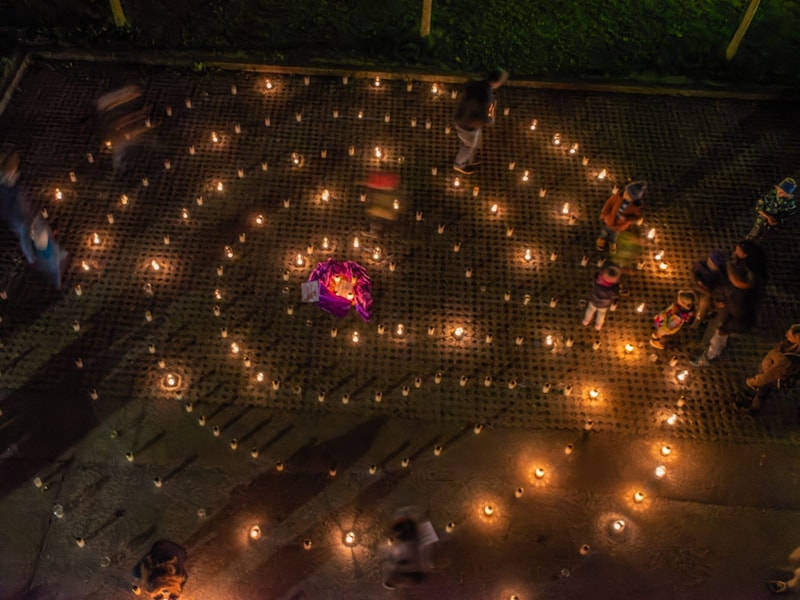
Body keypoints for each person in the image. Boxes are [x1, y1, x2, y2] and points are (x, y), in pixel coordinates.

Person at [0, 150, 68, 288]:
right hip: (27, 224)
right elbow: (23, 231)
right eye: (12, 173)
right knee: (42, 243)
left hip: (32, 220)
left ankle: (56, 263)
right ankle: (54, 270)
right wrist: (31, 258)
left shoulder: (14, 188)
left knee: (43, 238)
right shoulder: (8, 198)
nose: (16, 174)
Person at [691, 260, 758, 366]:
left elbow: (738, 318)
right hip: (727, 316)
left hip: (731, 324)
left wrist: (724, 328)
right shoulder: (742, 289)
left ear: (737, 280)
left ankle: (708, 357)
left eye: (730, 276)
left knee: (717, 341)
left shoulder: (739, 301)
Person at [734, 323, 800, 414]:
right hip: (768, 373)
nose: (787, 333)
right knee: (763, 392)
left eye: (790, 334)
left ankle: (753, 409)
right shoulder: (787, 346)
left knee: (762, 393)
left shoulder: (786, 359)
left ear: (797, 340)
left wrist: (751, 382)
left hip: (769, 378)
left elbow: (767, 377)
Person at [453, 69, 508, 175]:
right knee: (468, 145)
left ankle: (471, 158)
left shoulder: (477, 83)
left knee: (474, 142)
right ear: (496, 82)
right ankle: (459, 164)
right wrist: (489, 119)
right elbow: (485, 117)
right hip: (466, 124)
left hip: (465, 118)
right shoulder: (486, 96)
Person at [383, 507, 438, 590]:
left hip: (410, 541)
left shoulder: (394, 565)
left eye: (391, 578)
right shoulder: (414, 571)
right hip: (417, 544)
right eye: (394, 581)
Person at [596, 181, 646, 254]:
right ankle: (601, 238)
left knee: (614, 235)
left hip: (620, 225)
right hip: (610, 220)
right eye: (625, 191)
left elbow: (636, 217)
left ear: (633, 198)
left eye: (628, 194)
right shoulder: (618, 197)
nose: (625, 193)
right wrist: (604, 213)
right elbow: (609, 203)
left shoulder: (635, 207)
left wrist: (627, 218)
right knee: (605, 231)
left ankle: (612, 243)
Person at [690, 250, 727, 326]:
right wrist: (698, 280)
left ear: (718, 267)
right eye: (709, 260)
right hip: (697, 286)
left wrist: (711, 293)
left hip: (707, 292)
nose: (708, 263)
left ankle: (696, 322)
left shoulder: (720, 276)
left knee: (703, 306)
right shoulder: (701, 265)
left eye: (711, 263)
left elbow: (719, 288)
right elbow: (694, 271)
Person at [582, 263, 621, 331]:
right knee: (601, 314)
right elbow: (615, 295)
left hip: (593, 300)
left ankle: (586, 321)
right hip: (604, 305)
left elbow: (595, 278)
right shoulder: (612, 289)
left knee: (590, 310)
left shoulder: (597, 280)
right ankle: (598, 325)